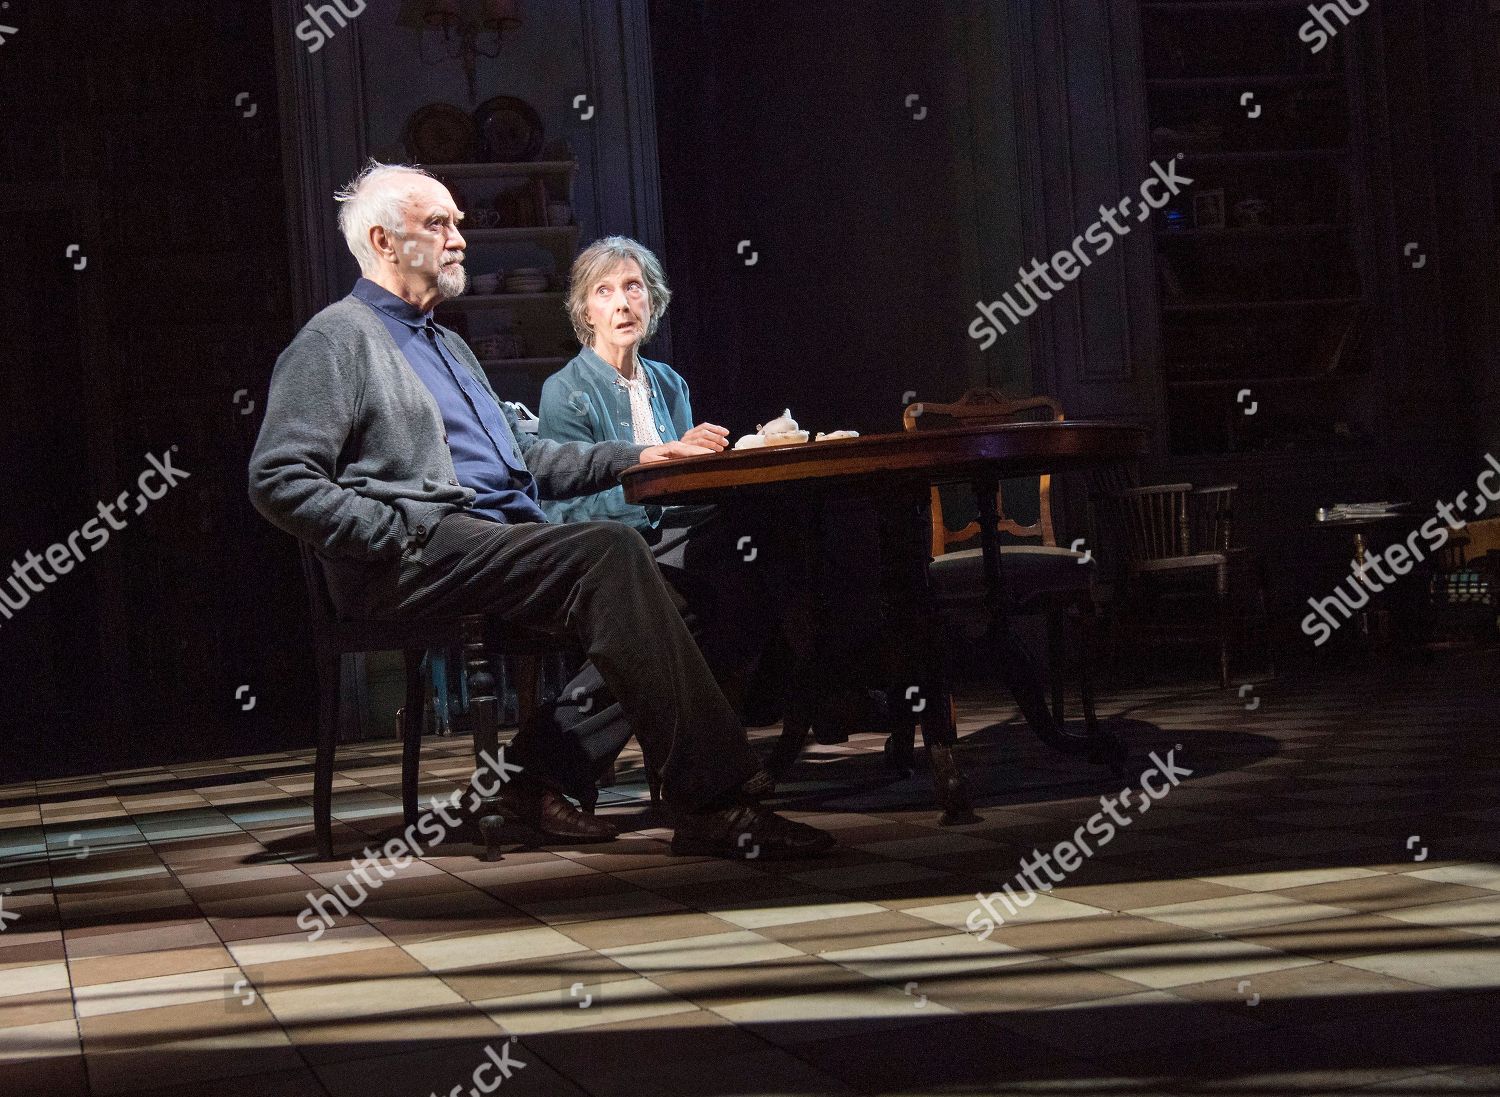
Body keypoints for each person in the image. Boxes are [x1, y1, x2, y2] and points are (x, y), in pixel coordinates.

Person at [247, 160, 833, 860]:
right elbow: (278, 476)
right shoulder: (338, 339)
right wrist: (396, 530)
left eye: (459, 223)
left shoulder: (449, 345)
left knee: (688, 588)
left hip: (492, 540)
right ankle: (714, 802)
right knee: (612, 549)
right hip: (416, 554)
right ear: (382, 240)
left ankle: (532, 777)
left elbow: (527, 456)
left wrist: (637, 457)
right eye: (440, 224)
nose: (460, 238)